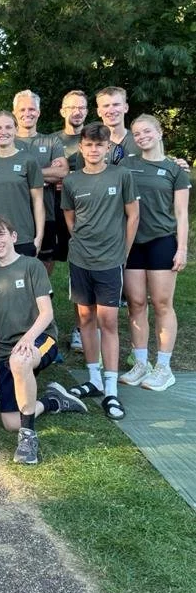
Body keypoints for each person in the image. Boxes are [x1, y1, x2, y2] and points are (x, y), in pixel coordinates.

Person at [0, 215, 89, 465]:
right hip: (7, 351)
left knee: (20, 360)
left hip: (40, 339)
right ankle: (52, 401)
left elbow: (46, 313)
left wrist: (28, 339)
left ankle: (28, 439)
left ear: (13, 236)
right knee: (10, 422)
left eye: (1, 234)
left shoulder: (32, 266)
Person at [61, 123, 139, 420]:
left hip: (110, 261)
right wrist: (82, 242)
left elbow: (133, 216)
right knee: (85, 319)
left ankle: (111, 388)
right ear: (81, 147)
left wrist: (123, 252)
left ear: (108, 148)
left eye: (99, 145)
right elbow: (70, 218)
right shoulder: (72, 181)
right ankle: (93, 379)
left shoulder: (121, 175)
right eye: (89, 145)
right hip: (80, 259)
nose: (94, 149)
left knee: (108, 322)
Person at [120, 115, 190, 392]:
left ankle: (164, 367)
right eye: (136, 133)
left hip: (162, 242)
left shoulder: (175, 170)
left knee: (162, 304)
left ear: (160, 132)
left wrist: (182, 249)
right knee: (136, 303)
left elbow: (182, 214)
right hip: (132, 243)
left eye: (147, 131)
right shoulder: (126, 165)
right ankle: (141, 363)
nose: (141, 137)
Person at [0, 110, 44, 260]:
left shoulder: (29, 161)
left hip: (22, 236)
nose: (3, 132)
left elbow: (38, 201)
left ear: (16, 130)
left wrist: (39, 236)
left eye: (8, 127)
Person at [12, 90, 68, 274]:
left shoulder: (52, 141)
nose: (27, 113)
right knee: (15, 265)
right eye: (22, 109)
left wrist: (27, 174)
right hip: (16, 214)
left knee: (45, 262)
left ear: (38, 112)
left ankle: (42, 291)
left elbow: (62, 172)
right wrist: (45, 174)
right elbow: (6, 174)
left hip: (47, 212)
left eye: (31, 109)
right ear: (14, 113)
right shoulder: (7, 140)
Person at [52, 90, 90, 352]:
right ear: (62, 111)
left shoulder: (95, 138)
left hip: (87, 213)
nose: (76, 112)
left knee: (80, 269)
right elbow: (50, 174)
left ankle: (80, 327)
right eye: (71, 107)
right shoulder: (52, 140)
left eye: (81, 107)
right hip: (55, 210)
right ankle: (43, 322)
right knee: (44, 268)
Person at [95, 86, 141, 163]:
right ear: (99, 112)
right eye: (106, 106)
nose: (111, 111)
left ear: (126, 107)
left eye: (116, 105)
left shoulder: (140, 141)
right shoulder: (89, 145)